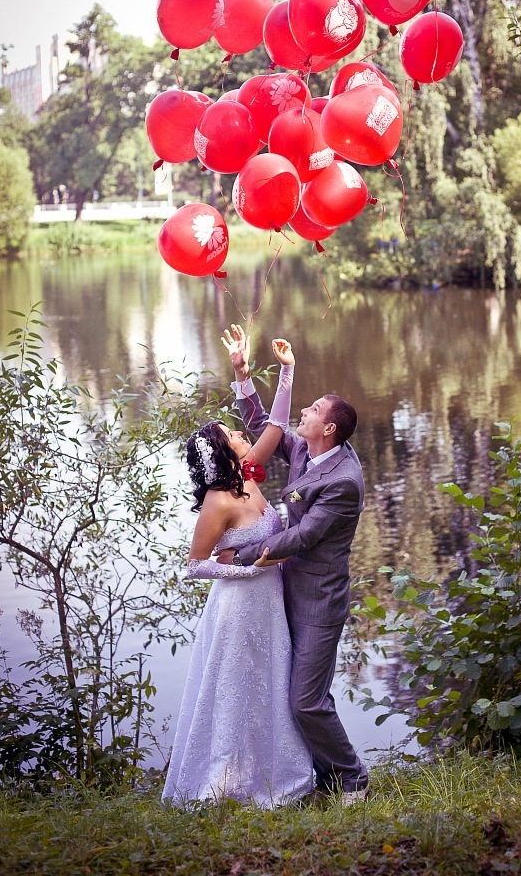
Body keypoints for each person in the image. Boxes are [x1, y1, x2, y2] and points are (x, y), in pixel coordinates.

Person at [217, 323, 369, 806]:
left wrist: (239, 553)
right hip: (284, 591)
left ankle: (353, 778)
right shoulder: (307, 446)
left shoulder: (343, 481)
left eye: (314, 410)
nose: (304, 410)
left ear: (329, 429)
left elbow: (302, 536)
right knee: (297, 696)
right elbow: (265, 426)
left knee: (305, 700)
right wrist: (242, 372)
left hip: (319, 602)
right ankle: (321, 777)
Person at [162, 338, 314, 808]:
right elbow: (194, 565)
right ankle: (224, 782)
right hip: (238, 607)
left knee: (271, 685)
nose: (241, 434)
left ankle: (274, 774)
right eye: (233, 434)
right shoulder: (218, 501)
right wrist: (249, 570)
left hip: (270, 603)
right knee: (237, 688)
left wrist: (283, 370)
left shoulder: (249, 473)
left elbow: (277, 424)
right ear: (223, 451)